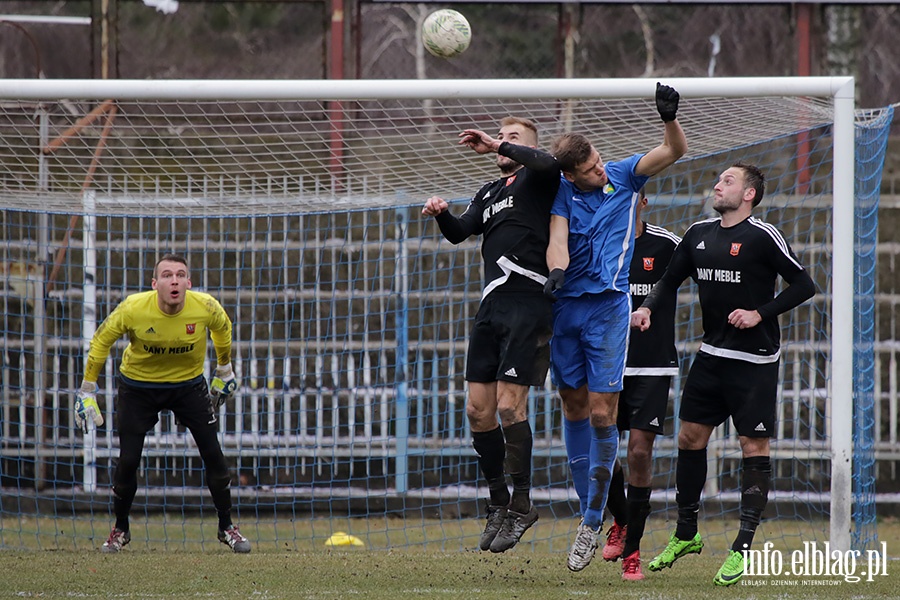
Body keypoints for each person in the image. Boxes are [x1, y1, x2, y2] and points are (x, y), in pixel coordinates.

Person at [631, 162, 816, 586]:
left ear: (749, 194)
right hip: (711, 355)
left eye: (728, 181)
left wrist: (759, 313)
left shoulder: (762, 236)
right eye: (719, 180)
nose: (718, 185)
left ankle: (742, 547)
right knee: (689, 438)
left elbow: (804, 285)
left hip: (754, 361)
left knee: (752, 445)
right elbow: (668, 279)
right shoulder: (698, 234)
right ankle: (686, 534)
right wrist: (645, 307)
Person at [542, 83, 687, 573]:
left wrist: (669, 118)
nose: (600, 170)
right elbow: (557, 238)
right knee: (574, 406)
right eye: (589, 169)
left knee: (606, 416)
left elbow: (674, 150)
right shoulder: (560, 191)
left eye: (599, 161)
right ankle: (601, 511)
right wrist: (557, 271)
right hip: (567, 309)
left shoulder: (624, 175)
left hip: (608, 309)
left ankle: (590, 521)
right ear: (571, 175)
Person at [422, 117, 560, 553]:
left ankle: (523, 504)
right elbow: (461, 233)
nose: (504, 143)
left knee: (507, 406)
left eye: (513, 138)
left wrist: (499, 143)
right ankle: (499, 502)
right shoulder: (488, 192)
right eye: (502, 136)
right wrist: (443, 214)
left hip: (528, 301)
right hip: (492, 307)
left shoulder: (539, 180)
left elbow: (546, 161)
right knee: (477, 412)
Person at [74, 253, 251, 554]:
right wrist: (87, 389)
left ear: (188, 283)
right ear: (155, 284)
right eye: (167, 275)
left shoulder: (206, 306)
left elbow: (223, 328)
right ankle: (121, 529)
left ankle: (226, 526)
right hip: (138, 387)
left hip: (188, 386)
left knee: (214, 456)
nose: (175, 281)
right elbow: (102, 339)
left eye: (180, 275)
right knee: (128, 461)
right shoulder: (133, 308)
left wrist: (224, 368)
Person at [598, 189, 681, 581]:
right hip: (604, 364)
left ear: (643, 202)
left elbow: (708, 264)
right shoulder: (596, 243)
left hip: (651, 365)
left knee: (639, 452)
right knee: (600, 451)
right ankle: (621, 518)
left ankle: (633, 553)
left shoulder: (666, 245)